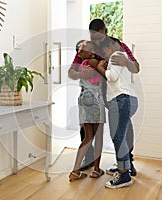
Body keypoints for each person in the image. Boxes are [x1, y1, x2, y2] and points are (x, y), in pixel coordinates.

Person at [88, 19, 139, 177]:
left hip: (119, 96)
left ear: (105, 31)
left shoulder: (117, 47)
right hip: (103, 96)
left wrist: (126, 61)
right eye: (93, 37)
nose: (96, 40)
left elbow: (136, 67)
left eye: (98, 36)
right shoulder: (91, 47)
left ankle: (127, 165)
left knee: (122, 134)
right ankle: (93, 161)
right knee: (102, 131)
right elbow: (79, 64)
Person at [94, 44, 138, 188]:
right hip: (125, 100)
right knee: (121, 137)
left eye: (103, 50)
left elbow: (112, 77)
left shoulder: (115, 56)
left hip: (121, 100)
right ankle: (123, 168)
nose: (103, 53)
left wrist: (100, 68)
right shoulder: (120, 57)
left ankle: (124, 175)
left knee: (118, 137)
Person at [68, 40, 106, 181]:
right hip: (95, 99)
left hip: (83, 99)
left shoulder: (82, 65)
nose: (92, 51)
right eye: (89, 49)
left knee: (87, 137)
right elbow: (106, 74)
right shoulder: (92, 62)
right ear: (81, 52)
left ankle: (75, 171)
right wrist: (103, 66)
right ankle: (96, 170)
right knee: (99, 136)